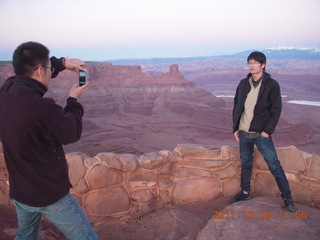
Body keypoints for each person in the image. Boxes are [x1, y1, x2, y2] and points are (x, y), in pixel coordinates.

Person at [0, 41, 99, 239]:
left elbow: (32, 74)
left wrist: (62, 63)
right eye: (47, 68)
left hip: (20, 191)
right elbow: (71, 132)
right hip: (49, 196)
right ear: (39, 70)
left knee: (25, 236)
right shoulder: (41, 108)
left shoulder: (6, 90)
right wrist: (73, 100)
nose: (49, 71)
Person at [231, 51, 295, 212]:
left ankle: (287, 199)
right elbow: (237, 105)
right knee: (246, 163)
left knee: (275, 166)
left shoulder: (272, 84)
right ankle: (245, 192)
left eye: (255, 62)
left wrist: (267, 131)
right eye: (249, 62)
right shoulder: (243, 83)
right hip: (244, 133)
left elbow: (276, 109)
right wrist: (236, 127)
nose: (251, 65)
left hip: (261, 135)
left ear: (263, 65)